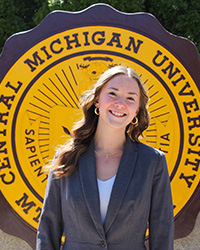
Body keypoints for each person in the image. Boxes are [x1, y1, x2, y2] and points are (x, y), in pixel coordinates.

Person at [36, 65, 174, 250]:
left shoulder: (153, 162)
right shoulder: (66, 157)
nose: (120, 103)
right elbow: (48, 230)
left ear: (137, 111)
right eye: (113, 93)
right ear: (97, 101)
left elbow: (162, 234)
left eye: (130, 98)